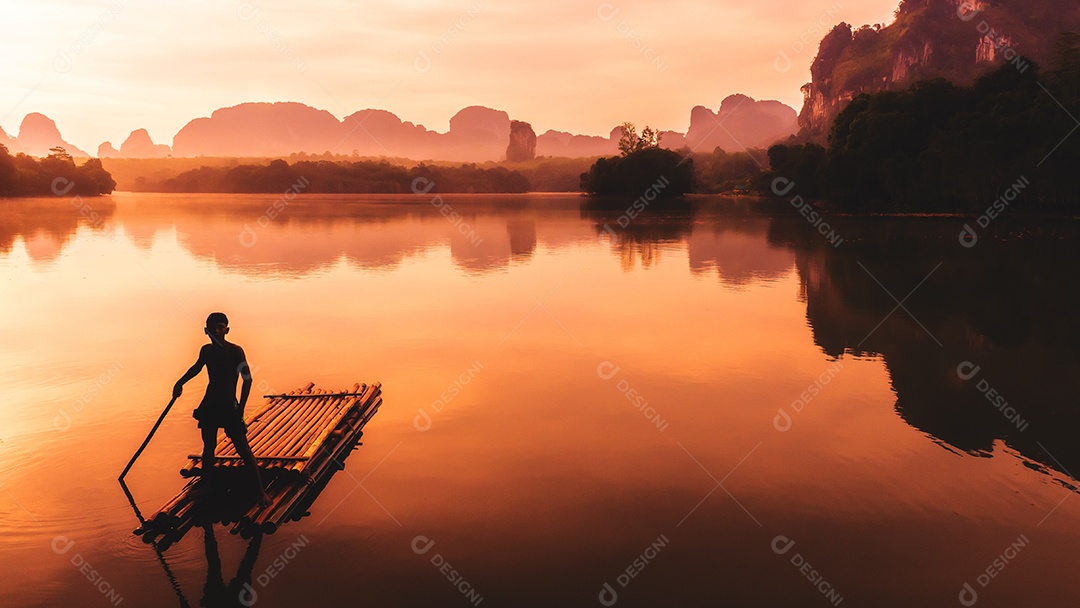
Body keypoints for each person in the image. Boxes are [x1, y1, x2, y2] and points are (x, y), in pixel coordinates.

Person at [174, 312, 270, 506]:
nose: (217, 331)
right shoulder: (206, 351)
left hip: (229, 405)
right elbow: (197, 367)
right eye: (213, 328)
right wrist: (179, 382)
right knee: (208, 447)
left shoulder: (235, 351)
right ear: (206, 331)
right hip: (210, 404)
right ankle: (207, 486)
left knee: (243, 449)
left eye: (220, 327)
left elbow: (247, 379)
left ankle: (260, 492)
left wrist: (241, 408)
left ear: (227, 329)